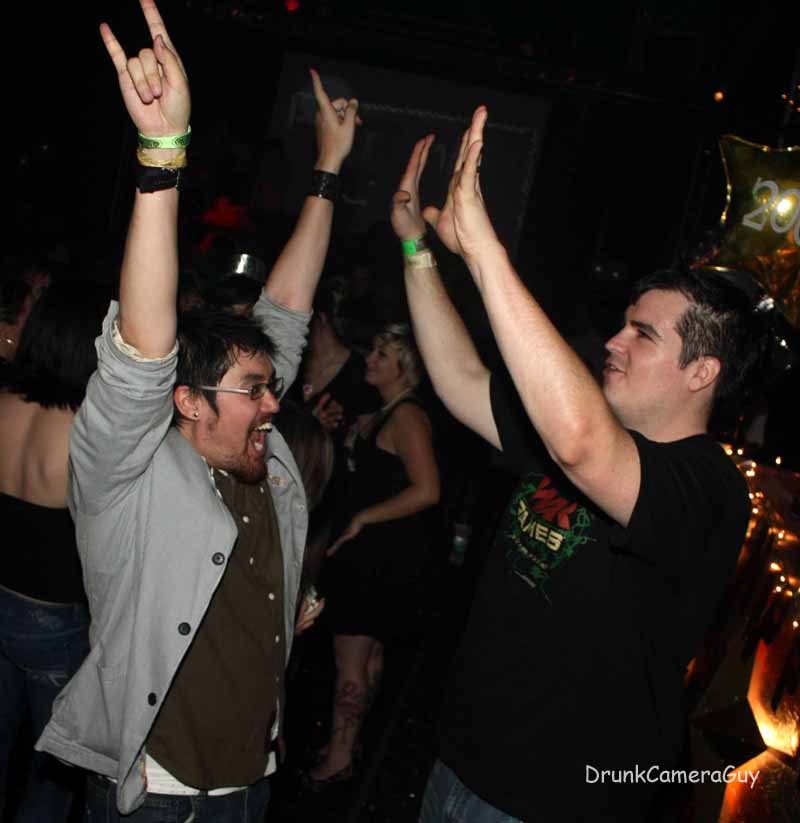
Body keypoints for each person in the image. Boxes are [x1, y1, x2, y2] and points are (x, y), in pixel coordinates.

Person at [36, 2, 358, 819]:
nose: (275, 402)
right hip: (159, 796)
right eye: (253, 390)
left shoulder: (265, 454)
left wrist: (328, 171)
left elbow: (287, 308)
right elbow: (140, 356)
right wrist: (162, 155)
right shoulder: (126, 477)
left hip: (252, 781)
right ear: (185, 400)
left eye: (270, 386)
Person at [391, 115, 760, 821]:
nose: (614, 341)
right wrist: (415, 248)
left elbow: (582, 448)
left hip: (555, 803)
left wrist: (486, 252)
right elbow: (460, 378)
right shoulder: (574, 425)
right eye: (623, 324)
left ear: (702, 372)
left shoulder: (708, 487)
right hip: (458, 766)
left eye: (642, 334)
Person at [303, 323, 440, 789]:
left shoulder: (407, 417)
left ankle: (339, 756)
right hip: (383, 554)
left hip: (376, 556)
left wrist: (363, 517)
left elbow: (428, 489)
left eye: (382, 354)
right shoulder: (387, 413)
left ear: (404, 368)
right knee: (368, 657)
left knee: (351, 658)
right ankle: (349, 742)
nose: (370, 359)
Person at [0, 280, 109, 823]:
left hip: (1, 599)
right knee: (53, 774)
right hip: (55, 621)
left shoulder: (3, 403)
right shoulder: (90, 432)